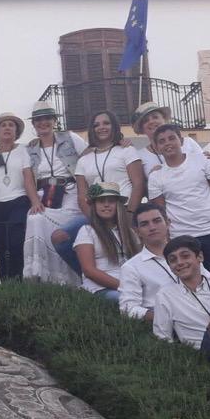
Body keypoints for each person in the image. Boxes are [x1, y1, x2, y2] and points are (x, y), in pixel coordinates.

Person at [145, 123, 210, 289]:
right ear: (156, 147)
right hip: (182, 237)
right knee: (192, 286)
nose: (167, 143)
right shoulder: (156, 177)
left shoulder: (202, 161)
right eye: (161, 141)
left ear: (181, 141)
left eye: (171, 138)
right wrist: (167, 241)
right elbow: (161, 213)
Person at [54, 110, 144, 275]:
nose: (101, 127)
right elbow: (82, 196)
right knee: (60, 237)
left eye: (106, 123)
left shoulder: (126, 150)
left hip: (125, 210)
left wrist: (130, 213)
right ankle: (89, 276)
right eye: (96, 125)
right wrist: (96, 221)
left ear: (114, 126)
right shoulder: (84, 159)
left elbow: (138, 184)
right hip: (97, 214)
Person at [22, 101, 86, 285]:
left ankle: (69, 277)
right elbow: (27, 177)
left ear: (54, 121)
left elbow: (89, 155)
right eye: (38, 120)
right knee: (35, 218)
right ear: (33, 124)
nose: (43, 123)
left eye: (47, 118)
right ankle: (40, 273)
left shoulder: (70, 138)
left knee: (65, 229)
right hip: (44, 194)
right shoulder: (30, 148)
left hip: (70, 191)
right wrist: (34, 201)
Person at [118, 203, 210, 324]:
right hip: (165, 325)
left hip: (204, 317)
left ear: (168, 223)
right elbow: (128, 309)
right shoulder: (131, 267)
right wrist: (165, 316)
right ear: (137, 231)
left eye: (157, 221)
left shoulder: (188, 255)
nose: (152, 227)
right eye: (144, 224)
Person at [0, 113, 34, 280]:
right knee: (0, 249)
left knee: (16, 245)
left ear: (16, 131)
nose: (7, 128)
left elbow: (28, 177)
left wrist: (35, 202)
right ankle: (6, 287)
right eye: (3, 125)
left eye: (11, 125)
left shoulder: (24, 150)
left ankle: (19, 282)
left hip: (18, 202)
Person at [73, 183, 140, 302]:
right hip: (101, 288)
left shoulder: (129, 233)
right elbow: (89, 270)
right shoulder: (87, 231)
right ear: (94, 206)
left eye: (111, 201)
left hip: (131, 285)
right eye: (101, 201)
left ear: (118, 205)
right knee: (124, 300)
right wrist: (125, 287)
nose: (106, 205)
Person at [132, 102, 208, 176]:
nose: (151, 121)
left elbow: (206, 167)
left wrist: (209, 160)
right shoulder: (140, 155)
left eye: (155, 117)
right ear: (142, 129)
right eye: (146, 121)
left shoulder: (188, 143)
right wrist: (152, 177)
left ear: (164, 120)